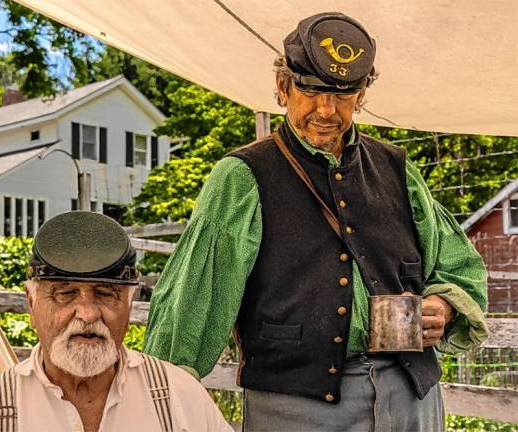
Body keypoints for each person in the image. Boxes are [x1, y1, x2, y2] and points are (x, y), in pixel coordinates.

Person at [144, 12, 489, 432]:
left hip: (409, 398)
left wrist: (445, 305)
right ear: (282, 87)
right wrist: (159, 401)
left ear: (362, 94)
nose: (326, 110)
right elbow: (192, 304)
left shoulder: (397, 169)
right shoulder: (241, 177)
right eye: (311, 90)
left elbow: (459, 265)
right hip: (295, 406)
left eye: (344, 94)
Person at [0, 211, 232, 432]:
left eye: (105, 294)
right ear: (31, 304)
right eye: (66, 293)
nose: (88, 313)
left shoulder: (179, 398)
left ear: (129, 304)